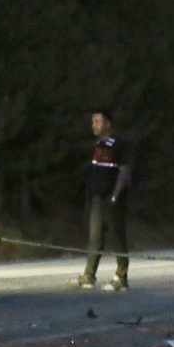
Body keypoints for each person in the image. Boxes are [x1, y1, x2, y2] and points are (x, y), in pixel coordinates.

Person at [69, 109, 132, 291]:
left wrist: (116, 193)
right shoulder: (96, 145)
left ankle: (121, 277)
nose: (94, 125)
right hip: (97, 196)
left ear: (108, 124)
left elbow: (125, 170)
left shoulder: (119, 144)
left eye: (98, 121)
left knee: (117, 237)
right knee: (95, 237)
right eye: (93, 121)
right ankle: (89, 276)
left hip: (114, 198)